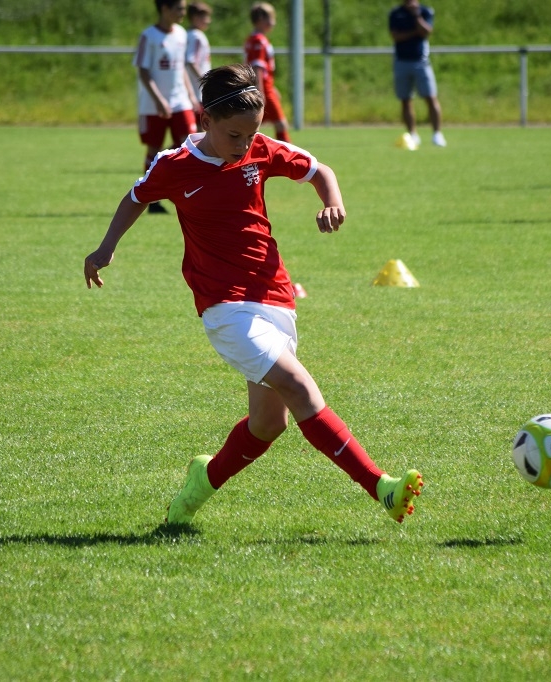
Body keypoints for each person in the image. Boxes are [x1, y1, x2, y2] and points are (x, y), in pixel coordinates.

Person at [84, 64, 424, 527]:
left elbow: (319, 170)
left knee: (268, 424)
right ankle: (381, 486)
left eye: (251, 134)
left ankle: (198, 486)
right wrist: (105, 248)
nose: (244, 145)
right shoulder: (174, 165)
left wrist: (332, 201)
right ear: (206, 120)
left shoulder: (260, 149)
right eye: (234, 135)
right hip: (225, 307)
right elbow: (136, 197)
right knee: (300, 387)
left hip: (275, 295)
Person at [134, 0, 199, 215]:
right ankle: (151, 199)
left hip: (180, 100)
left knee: (189, 143)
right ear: (164, 9)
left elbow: (181, 68)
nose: (183, 12)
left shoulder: (181, 34)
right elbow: (143, 71)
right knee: (154, 149)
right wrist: (159, 99)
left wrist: (191, 95)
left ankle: (185, 191)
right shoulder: (149, 36)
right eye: (179, 8)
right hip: (154, 104)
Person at [389, 0, 444, 150]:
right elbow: (396, 36)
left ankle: (437, 134)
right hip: (401, 61)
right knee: (405, 100)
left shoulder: (425, 11)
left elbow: (426, 31)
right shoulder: (396, 14)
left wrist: (416, 16)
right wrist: (414, 33)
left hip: (421, 61)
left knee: (431, 97)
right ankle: (412, 134)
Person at [244, 2, 290, 143]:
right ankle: (285, 155)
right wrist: (260, 91)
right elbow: (257, 67)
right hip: (263, 87)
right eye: (271, 18)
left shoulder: (252, 38)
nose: (273, 22)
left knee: (256, 125)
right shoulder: (259, 40)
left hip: (266, 86)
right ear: (260, 19)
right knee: (281, 124)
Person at [185, 2, 212, 112]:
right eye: (205, 17)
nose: (208, 21)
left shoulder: (188, 34)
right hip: (197, 92)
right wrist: (205, 82)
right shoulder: (196, 36)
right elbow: (191, 61)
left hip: (193, 91)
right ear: (195, 17)